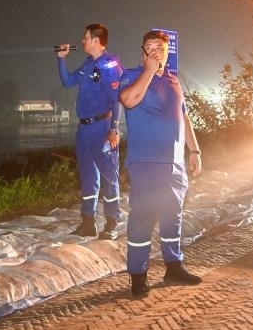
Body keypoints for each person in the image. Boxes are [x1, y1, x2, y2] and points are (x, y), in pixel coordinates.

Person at [118, 29, 203, 298]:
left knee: (173, 216)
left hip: (175, 164)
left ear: (167, 52)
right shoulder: (131, 75)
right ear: (143, 52)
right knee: (142, 218)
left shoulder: (174, 81)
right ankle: (138, 275)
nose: (155, 51)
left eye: (160, 48)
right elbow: (129, 100)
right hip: (146, 163)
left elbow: (184, 117)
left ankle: (173, 266)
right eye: (150, 47)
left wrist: (194, 151)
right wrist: (149, 71)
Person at [56, 23, 124, 239]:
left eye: (85, 38)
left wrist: (114, 129)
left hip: (102, 127)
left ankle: (112, 223)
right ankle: (88, 223)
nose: (82, 41)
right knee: (87, 176)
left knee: (109, 175)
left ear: (96, 40)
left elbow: (117, 99)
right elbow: (67, 82)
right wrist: (61, 59)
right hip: (84, 129)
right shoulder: (88, 64)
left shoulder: (110, 64)